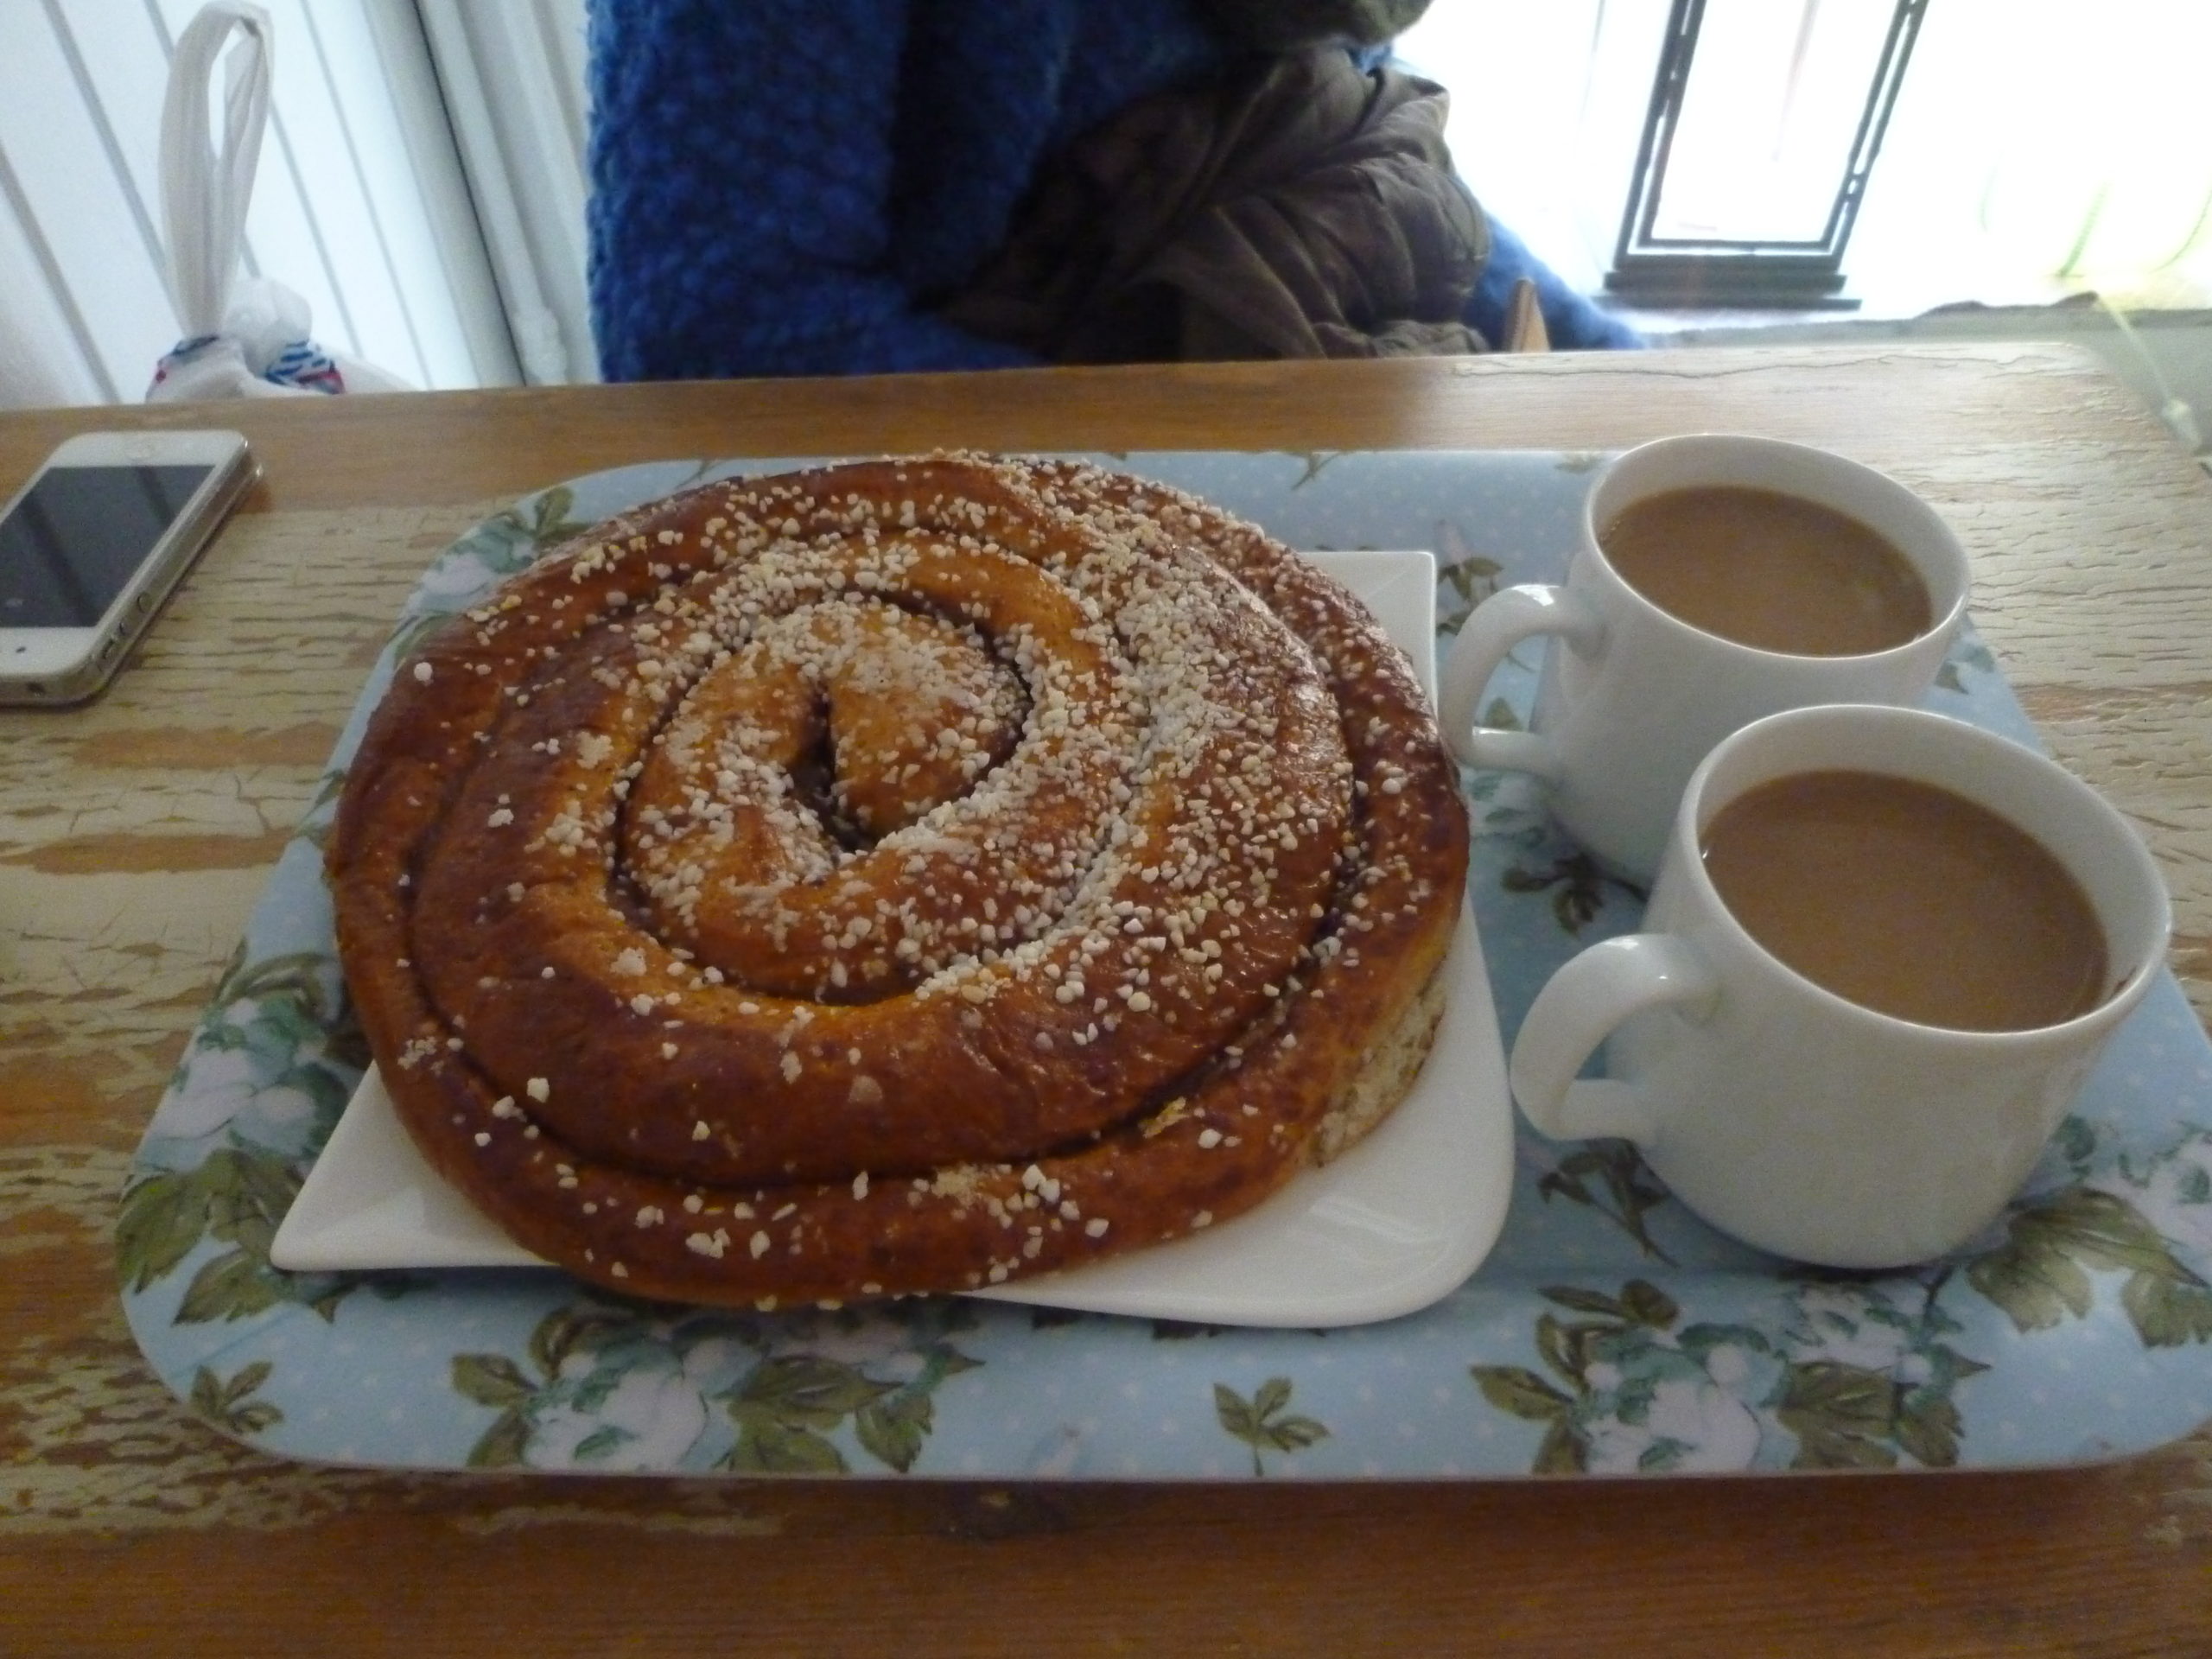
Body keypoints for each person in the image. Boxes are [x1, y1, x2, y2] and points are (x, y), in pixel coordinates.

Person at [585, 0, 1639, 382]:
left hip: (1271, 357)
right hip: (981, 442)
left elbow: (1334, 119)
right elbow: (716, 337)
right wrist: (1235, 464)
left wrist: (1613, 377)